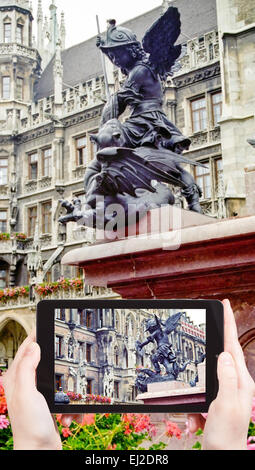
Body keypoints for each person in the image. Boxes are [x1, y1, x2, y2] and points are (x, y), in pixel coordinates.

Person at [2, 299, 255, 450]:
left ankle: (163, 374)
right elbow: (145, 343)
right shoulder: (151, 333)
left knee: (158, 360)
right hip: (152, 353)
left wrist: (36, 446)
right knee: (154, 361)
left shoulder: (163, 333)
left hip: (165, 351)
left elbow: (152, 340)